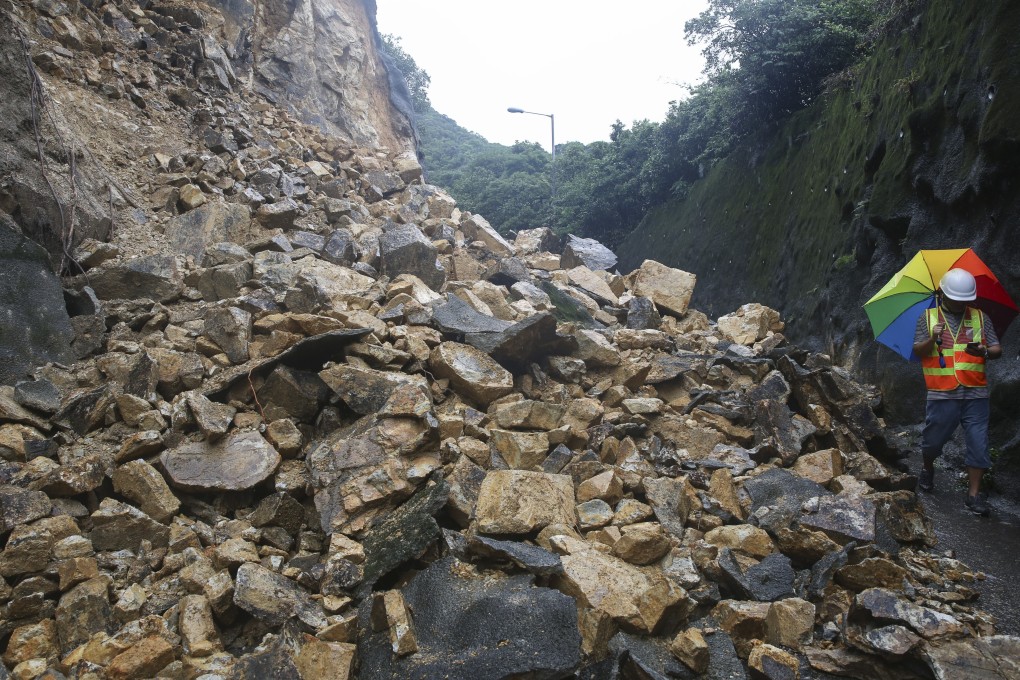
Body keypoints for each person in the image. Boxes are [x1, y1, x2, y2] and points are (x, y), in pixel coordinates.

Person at [912, 268, 1001, 516]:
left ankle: (973, 495)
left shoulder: (980, 318)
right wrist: (932, 338)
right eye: (956, 300)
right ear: (943, 294)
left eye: (965, 300)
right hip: (942, 392)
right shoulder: (928, 318)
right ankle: (928, 467)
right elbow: (918, 350)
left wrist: (983, 351)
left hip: (976, 392)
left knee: (978, 442)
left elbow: (996, 349)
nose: (961, 304)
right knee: (933, 441)